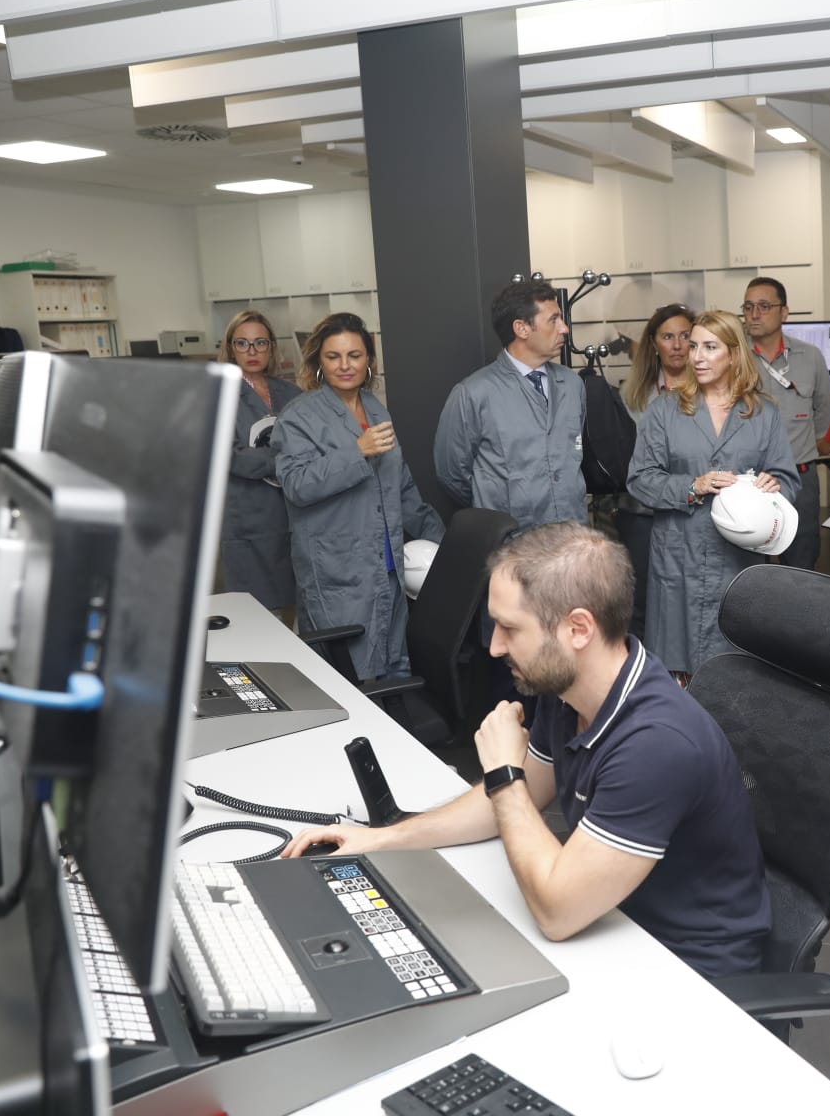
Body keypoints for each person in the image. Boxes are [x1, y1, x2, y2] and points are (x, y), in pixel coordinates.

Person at [282, 522, 772, 979]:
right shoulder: (569, 690)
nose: (494, 647)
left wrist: (501, 773)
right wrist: (382, 839)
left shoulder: (658, 744)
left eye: (510, 628)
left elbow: (557, 912)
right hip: (613, 922)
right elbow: (507, 805)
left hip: (689, 972)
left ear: (577, 630)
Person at [627, 309, 798, 679]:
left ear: (734, 354)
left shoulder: (762, 413)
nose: (697, 357)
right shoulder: (665, 411)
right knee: (678, 673)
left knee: (735, 669)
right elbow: (640, 479)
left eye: (710, 347)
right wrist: (692, 486)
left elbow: (787, 477)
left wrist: (776, 485)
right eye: (694, 347)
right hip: (679, 558)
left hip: (737, 560)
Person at [274, 312, 445, 680]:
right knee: (347, 675)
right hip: (338, 570)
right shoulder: (299, 417)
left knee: (394, 665)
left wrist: (446, 546)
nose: (345, 365)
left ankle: (394, 736)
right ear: (319, 361)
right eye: (333, 356)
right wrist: (356, 450)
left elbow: (402, 488)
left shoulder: (376, 409)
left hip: (386, 566)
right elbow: (296, 485)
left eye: (355, 355)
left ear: (369, 360)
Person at [434, 280, 587, 532]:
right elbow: (452, 475)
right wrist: (497, 501)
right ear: (522, 328)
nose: (564, 329)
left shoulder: (572, 385)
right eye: (554, 320)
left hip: (571, 536)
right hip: (512, 540)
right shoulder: (473, 393)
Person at [614, 304, 697, 639]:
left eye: (685, 336)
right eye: (667, 337)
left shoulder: (711, 392)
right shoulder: (632, 395)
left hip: (694, 511)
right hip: (642, 515)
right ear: (653, 343)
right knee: (643, 603)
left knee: (692, 599)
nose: (677, 345)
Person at [743, 277, 830, 571]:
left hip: (800, 478)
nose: (755, 314)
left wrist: (805, 441)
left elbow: (823, 411)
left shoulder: (810, 357)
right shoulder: (734, 358)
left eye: (764, 306)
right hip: (748, 483)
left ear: (784, 312)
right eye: (748, 306)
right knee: (748, 568)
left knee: (801, 564)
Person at [217, 309, 303, 618]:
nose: (252, 352)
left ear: (272, 347)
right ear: (230, 348)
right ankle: (238, 671)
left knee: (297, 614)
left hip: (292, 517)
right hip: (247, 521)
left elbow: (309, 445)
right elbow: (231, 457)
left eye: (260, 343)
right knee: (254, 617)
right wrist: (286, 460)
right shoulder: (219, 395)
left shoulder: (291, 393)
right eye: (242, 343)